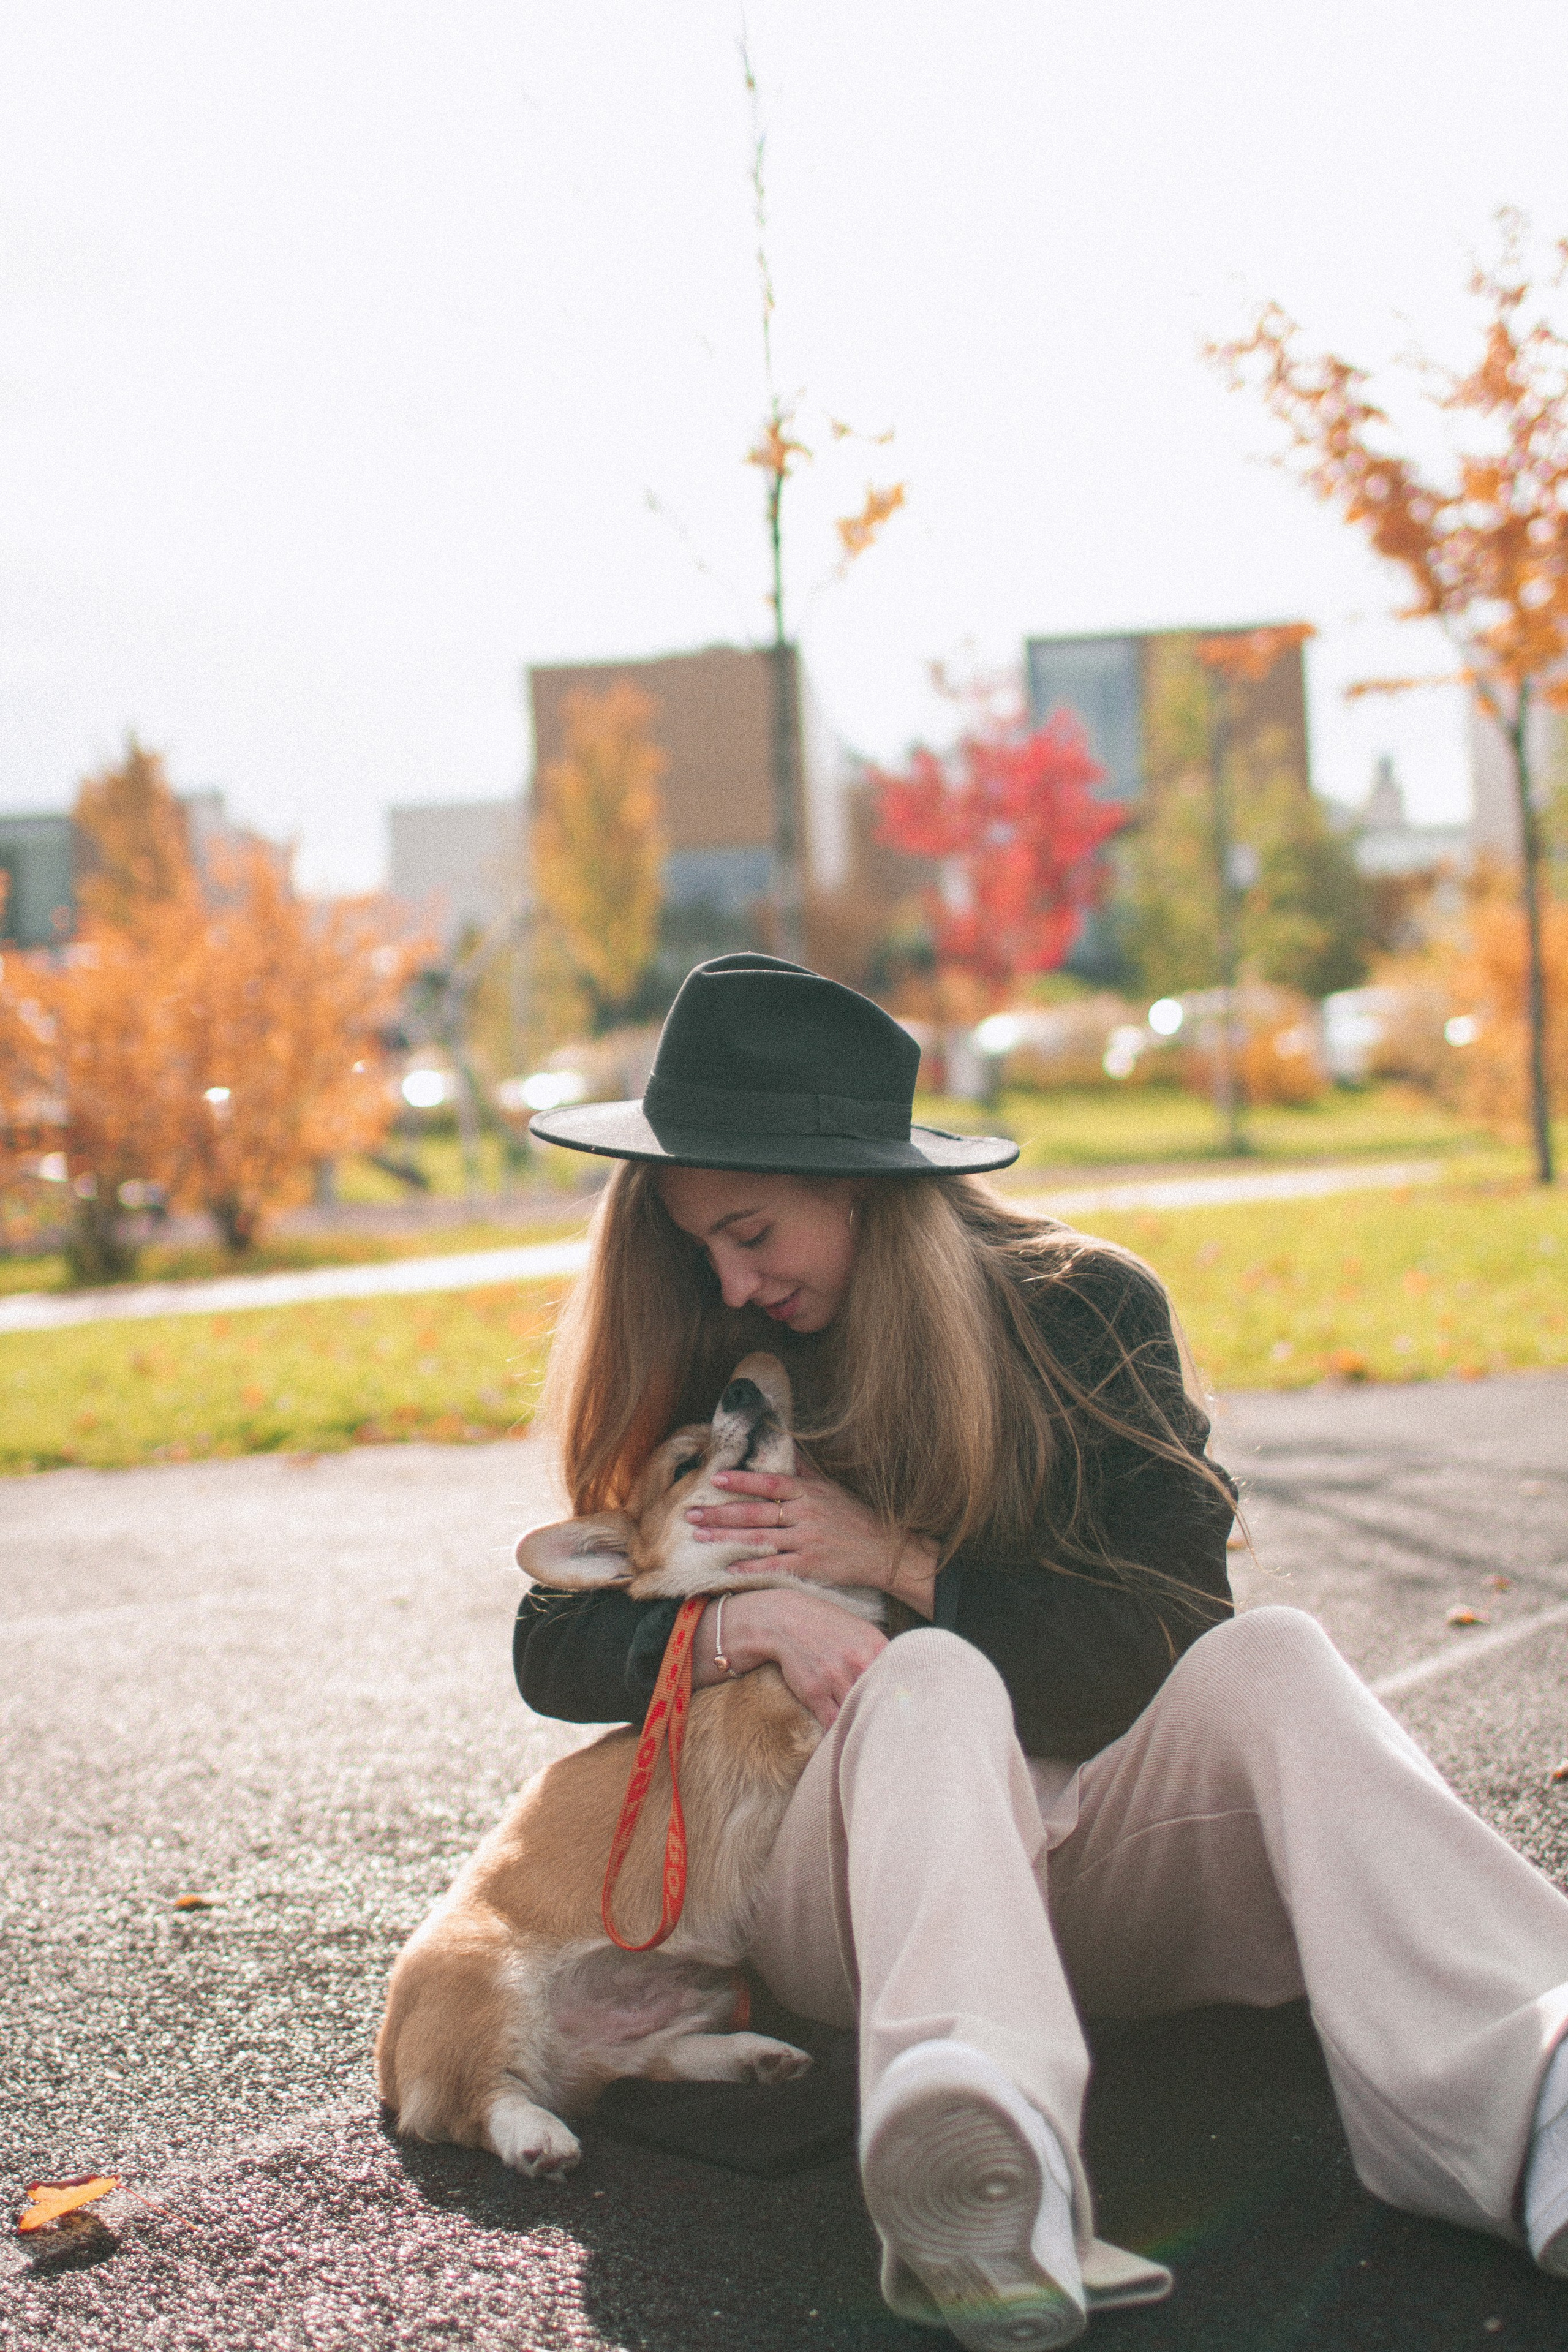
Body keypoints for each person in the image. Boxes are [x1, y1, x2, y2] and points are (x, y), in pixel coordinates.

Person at [516, 953, 1568, 2351]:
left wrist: (892, 1560)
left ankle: (1535, 2094)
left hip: (1109, 1868)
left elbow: (1167, 1629)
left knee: (1276, 1659)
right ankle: (978, 2152)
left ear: (858, 1185)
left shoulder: (1081, 1310)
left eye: (754, 1231)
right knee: (930, 1681)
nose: (730, 1278)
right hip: (860, 1899)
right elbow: (553, 1638)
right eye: (701, 1240)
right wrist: (739, 1619)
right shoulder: (710, 1336)